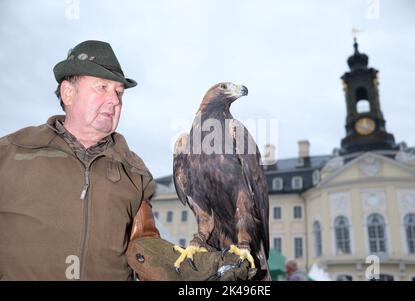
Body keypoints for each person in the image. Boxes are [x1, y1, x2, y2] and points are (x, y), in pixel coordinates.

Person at [0, 40, 251, 281]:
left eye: (119, 92)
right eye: (102, 88)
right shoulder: (11, 153)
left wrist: (184, 270)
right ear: (68, 92)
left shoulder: (134, 171)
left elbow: (142, 243)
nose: (114, 100)